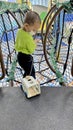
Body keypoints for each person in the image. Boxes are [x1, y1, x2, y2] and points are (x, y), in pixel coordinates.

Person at [15, 11, 41, 79]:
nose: (34, 32)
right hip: (26, 58)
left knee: (27, 72)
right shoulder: (28, 37)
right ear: (26, 26)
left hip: (19, 57)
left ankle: (25, 82)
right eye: (34, 30)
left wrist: (31, 41)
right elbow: (31, 50)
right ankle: (30, 85)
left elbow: (21, 42)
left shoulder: (19, 31)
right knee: (31, 73)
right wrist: (34, 42)